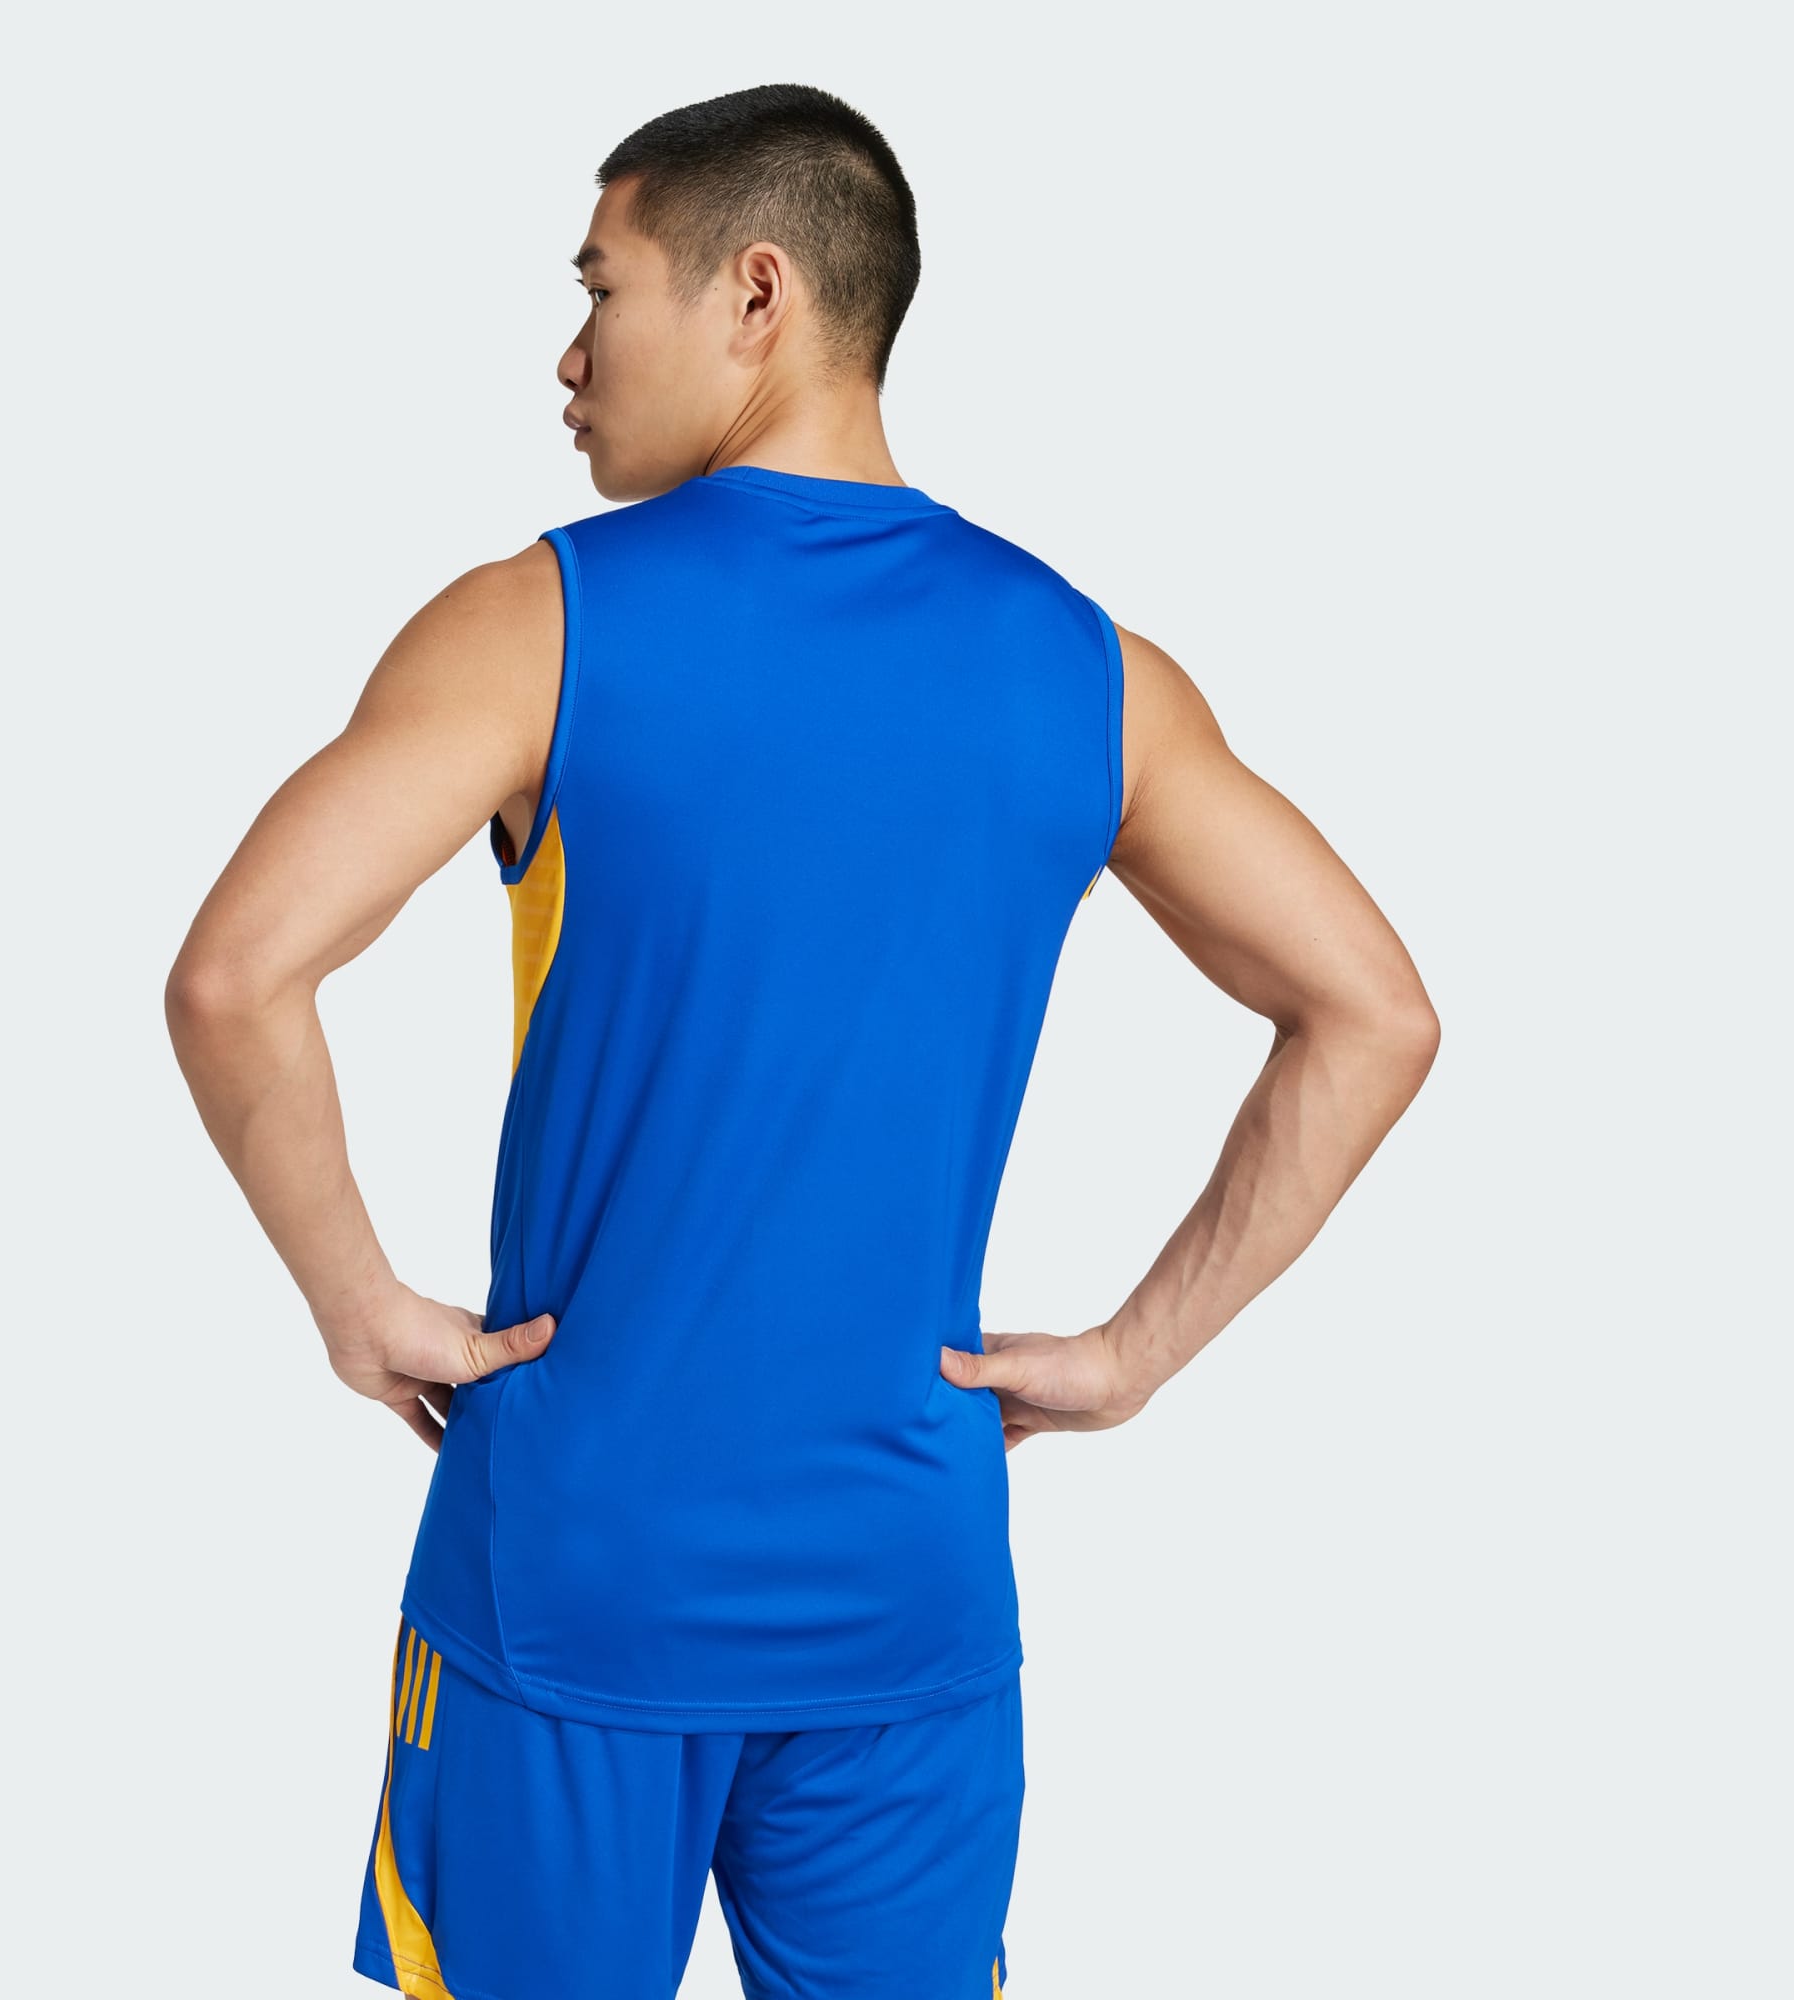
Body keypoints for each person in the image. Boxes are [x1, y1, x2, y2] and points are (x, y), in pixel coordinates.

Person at [165, 80, 1439, 2000]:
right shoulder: (1086, 668)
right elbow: (1374, 1013)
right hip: (908, 1600)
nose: (570, 357)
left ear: (756, 292)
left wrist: (356, 1303)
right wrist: (1130, 1359)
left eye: (602, 289)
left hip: (577, 1580)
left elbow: (234, 975)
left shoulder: (538, 626)